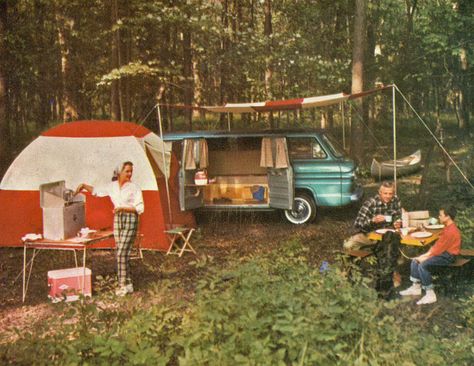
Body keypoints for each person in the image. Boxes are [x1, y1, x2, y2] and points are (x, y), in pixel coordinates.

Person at [75, 161, 144, 296]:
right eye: (127, 171)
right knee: (121, 251)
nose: (130, 174)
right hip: (118, 219)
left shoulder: (134, 187)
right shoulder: (112, 186)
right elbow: (96, 191)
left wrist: (123, 208)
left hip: (130, 218)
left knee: (121, 252)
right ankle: (128, 283)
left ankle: (122, 285)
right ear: (119, 172)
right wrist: (83, 185)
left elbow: (140, 208)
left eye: (131, 171)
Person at [399, 206, 461, 305]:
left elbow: (437, 249)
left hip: (448, 256)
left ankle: (430, 294)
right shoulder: (448, 227)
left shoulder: (451, 231)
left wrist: (425, 256)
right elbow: (438, 245)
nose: (439, 217)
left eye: (441, 215)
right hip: (442, 253)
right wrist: (424, 256)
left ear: (448, 217)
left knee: (423, 265)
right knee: (415, 261)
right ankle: (416, 288)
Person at [344, 181, 402, 251]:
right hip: (370, 234)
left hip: (390, 235)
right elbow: (358, 223)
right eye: (385, 193)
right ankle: (358, 259)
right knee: (348, 246)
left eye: (390, 194)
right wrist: (372, 220)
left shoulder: (395, 200)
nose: (388, 196)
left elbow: (399, 216)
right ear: (380, 192)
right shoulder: (370, 203)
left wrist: (397, 222)